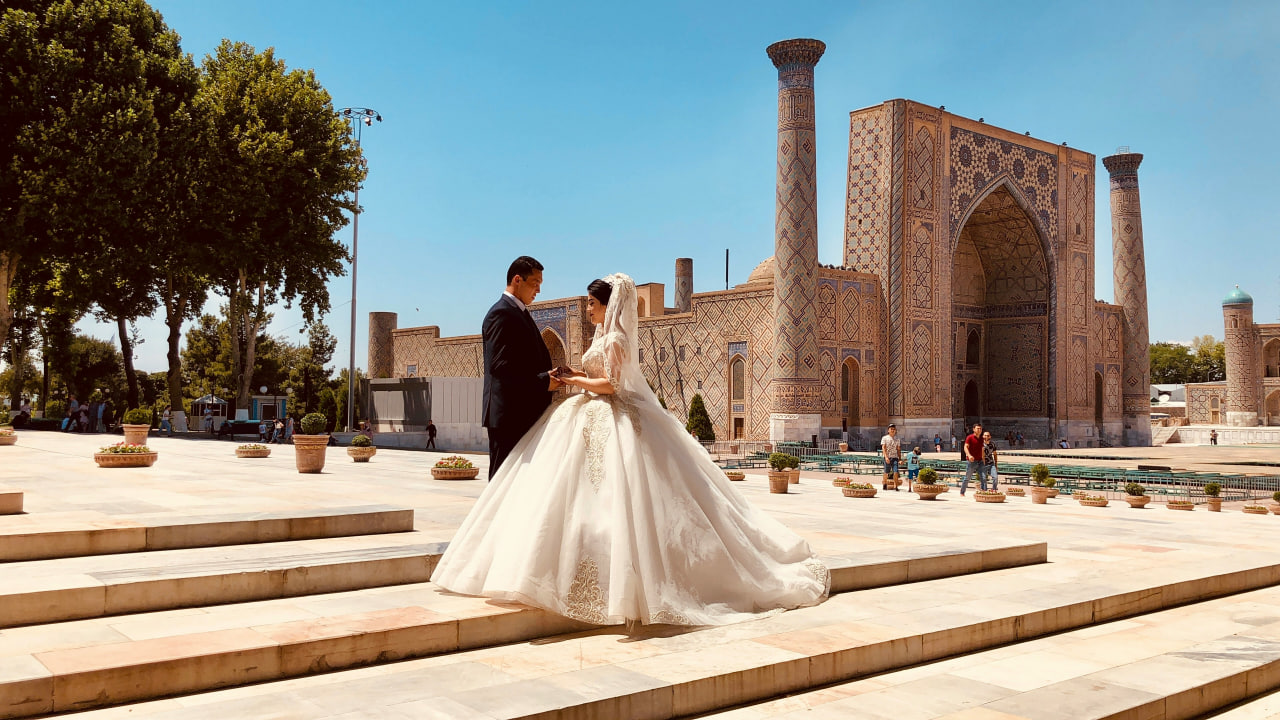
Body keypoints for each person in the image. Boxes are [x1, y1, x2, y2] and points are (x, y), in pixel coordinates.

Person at [432, 273, 828, 627]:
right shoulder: (601, 337)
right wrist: (574, 375)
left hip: (611, 416)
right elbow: (596, 375)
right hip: (586, 416)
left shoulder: (618, 339)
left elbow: (613, 386)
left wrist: (575, 383)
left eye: (591, 302)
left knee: (616, 500)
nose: (586, 308)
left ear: (609, 304)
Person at [480, 256, 562, 481]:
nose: (538, 290)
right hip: (509, 418)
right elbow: (501, 369)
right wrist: (544, 381)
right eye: (535, 283)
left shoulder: (519, 312)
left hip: (521, 414)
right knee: (501, 485)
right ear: (518, 279)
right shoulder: (501, 313)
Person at [960, 423, 984, 496]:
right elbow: (965, 447)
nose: (979, 430)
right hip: (972, 461)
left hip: (980, 460)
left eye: (980, 429)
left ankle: (983, 491)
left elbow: (983, 449)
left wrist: (984, 458)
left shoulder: (982, 439)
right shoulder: (969, 437)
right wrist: (969, 455)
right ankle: (962, 492)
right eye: (978, 428)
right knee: (967, 477)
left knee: (983, 476)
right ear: (974, 429)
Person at [880, 424, 901, 491]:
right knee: (886, 472)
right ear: (888, 430)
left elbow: (898, 449)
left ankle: (895, 486)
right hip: (888, 457)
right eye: (891, 429)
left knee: (895, 472)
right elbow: (883, 448)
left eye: (894, 429)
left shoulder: (897, 439)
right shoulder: (885, 438)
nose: (892, 430)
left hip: (895, 457)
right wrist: (886, 457)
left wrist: (900, 458)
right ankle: (885, 483)